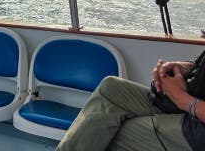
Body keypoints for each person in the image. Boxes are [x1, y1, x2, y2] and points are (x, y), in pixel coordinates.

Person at [56, 58, 205, 151]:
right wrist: (188, 67)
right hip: (190, 102)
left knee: (113, 130)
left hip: (196, 127)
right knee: (111, 87)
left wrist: (182, 99)